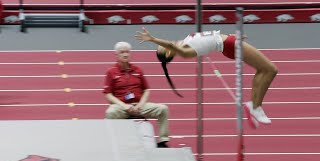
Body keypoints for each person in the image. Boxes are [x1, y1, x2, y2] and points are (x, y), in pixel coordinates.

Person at [135, 27, 278, 127]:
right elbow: (173, 46)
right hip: (229, 45)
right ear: (168, 53)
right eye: (166, 47)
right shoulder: (184, 51)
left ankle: (254, 105)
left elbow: (209, 37)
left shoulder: (185, 41)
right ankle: (255, 107)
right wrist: (153, 39)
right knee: (271, 69)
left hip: (229, 41)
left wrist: (231, 36)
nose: (168, 42)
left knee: (263, 69)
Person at [103, 41, 170, 147]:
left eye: (127, 52)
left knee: (163, 109)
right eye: (122, 52)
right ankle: (111, 142)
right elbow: (108, 94)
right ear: (116, 55)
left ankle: (163, 141)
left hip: (139, 105)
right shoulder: (111, 72)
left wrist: (140, 105)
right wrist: (124, 106)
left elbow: (146, 90)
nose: (125, 54)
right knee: (110, 113)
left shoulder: (138, 70)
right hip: (122, 107)